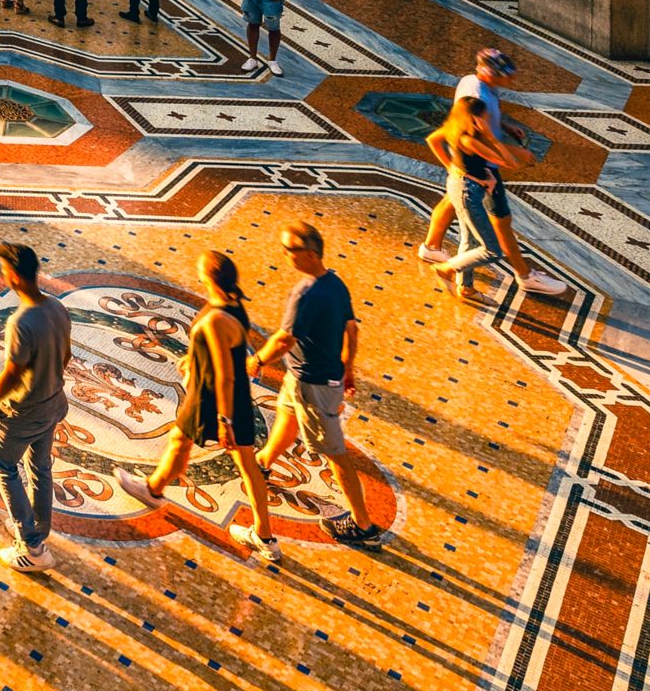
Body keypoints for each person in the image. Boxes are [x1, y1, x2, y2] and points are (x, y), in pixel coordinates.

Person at [117, 250, 280, 565]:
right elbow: (224, 353)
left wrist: (224, 420)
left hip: (213, 398)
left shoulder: (218, 318)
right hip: (235, 397)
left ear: (210, 278)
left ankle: (153, 490)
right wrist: (192, 358)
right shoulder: (231, 306)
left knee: (191, 445)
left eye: (202, 268)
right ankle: (266, 537)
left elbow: (223, 372)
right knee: (236, 462)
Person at [252, 221, 387, 543]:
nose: (284, 254)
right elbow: (351, 329)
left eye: (290, 249)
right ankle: (263, 463)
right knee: (286, 416)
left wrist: (255, 361)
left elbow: (285, 339)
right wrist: (348, 368)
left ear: (310, 254)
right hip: (305, 377)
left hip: (313, 385)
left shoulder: (306, 293)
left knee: (336, 454)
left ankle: (363, 526)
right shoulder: (335, 284)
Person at [415, 47, 572, 298]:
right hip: (482, 170)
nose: (510, 80)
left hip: (464, 170)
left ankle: (433, 248)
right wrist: (514, 153)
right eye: (505, 75)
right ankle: (524, 275)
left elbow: (459, 129)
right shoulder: (479, 96)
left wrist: (505, 126)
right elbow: (480, 140)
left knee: (456, 203)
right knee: (500, 223)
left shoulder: (472, 83)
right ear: (491, 74)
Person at [0, 241, 72, 573]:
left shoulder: (21, 323)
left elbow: (13, 375)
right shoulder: (56, 307)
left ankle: (30, 545)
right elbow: (67, 357)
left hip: (21, 412)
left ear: (13, 276)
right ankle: (36, 529)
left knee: (4, 467)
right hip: (53, 404)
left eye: (2, 270)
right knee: (40, 468)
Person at [421, 93, 523, 296]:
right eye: (484, 117)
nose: (487, 121)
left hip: (462, 187)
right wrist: (491, 137)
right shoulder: (469, 141)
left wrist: (451, 166)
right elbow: (511, 163)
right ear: (473, 118)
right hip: (467, 193)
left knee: (470, 242)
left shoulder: (454, 129)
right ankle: (447, 268)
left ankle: (465, 287)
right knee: (492, 250)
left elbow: (432, 139)